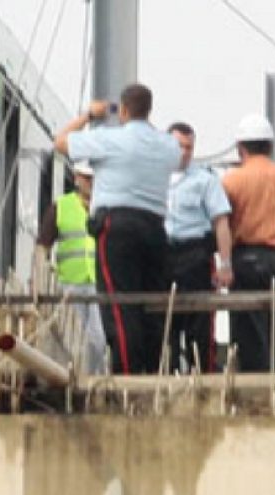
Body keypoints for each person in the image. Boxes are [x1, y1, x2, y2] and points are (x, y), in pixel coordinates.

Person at [54, 83, 181, 374]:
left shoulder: (110, 139)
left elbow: (61, 141)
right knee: (151, 305)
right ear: (149, 109)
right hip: (154, 228)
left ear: (122, 110)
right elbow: (175, 160)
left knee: (119, 306)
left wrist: (90, 114)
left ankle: (128, 374)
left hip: (117, 227)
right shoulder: (167, 145)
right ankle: (152, 372)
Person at [222, 114, 275, 373]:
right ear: (269, 146)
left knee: (249, 333)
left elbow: (223, 225)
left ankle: (255, 390)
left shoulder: (232, 180)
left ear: (240, 147)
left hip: (247, 258)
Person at [164, 122, 234, 373]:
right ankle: (167, 376)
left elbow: (221, 223)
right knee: (164, 323)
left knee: (200, 325)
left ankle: (203, 377)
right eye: (178, 146)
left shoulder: (205, 180)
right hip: (163, 257)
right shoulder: (153, 178)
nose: (184, 152)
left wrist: (225, 264)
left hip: (194, 256)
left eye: (189, 147)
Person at [33, 161, 107, 374]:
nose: (91, 182)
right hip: (70, 284)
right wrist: (38, 281)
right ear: (77, 178)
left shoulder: (106, 208)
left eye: (94, 178)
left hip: (99, 284)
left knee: (99, 339)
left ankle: (94, 383)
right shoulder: (61, 207)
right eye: (87, 178)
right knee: (71, 338)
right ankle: (75, 380)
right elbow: (42, 247)